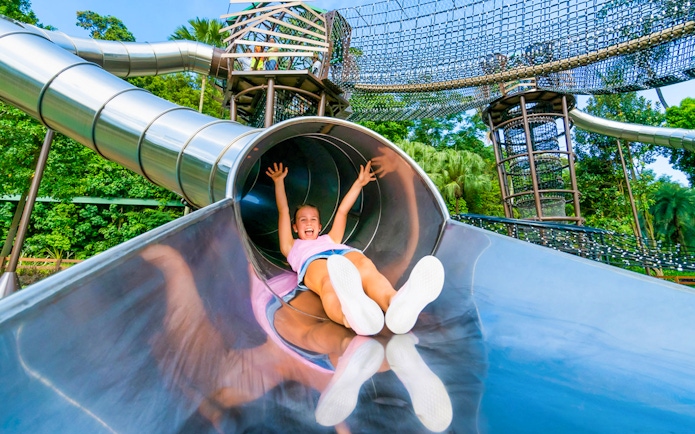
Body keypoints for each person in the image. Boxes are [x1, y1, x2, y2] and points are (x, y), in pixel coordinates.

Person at [266, 161, 445, 336]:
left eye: (313, 219)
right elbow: (283, 210)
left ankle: (395, 304)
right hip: (313, 261)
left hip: (343, 254)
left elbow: (343, 210)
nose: (308, 222)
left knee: (367, 269)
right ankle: (351, 317)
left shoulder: (331, 238)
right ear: (295, 227)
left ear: (320, 226)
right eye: (303, 219)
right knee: (328, 283)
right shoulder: (290, 246)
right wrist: (279, 182)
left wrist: (359, 183)